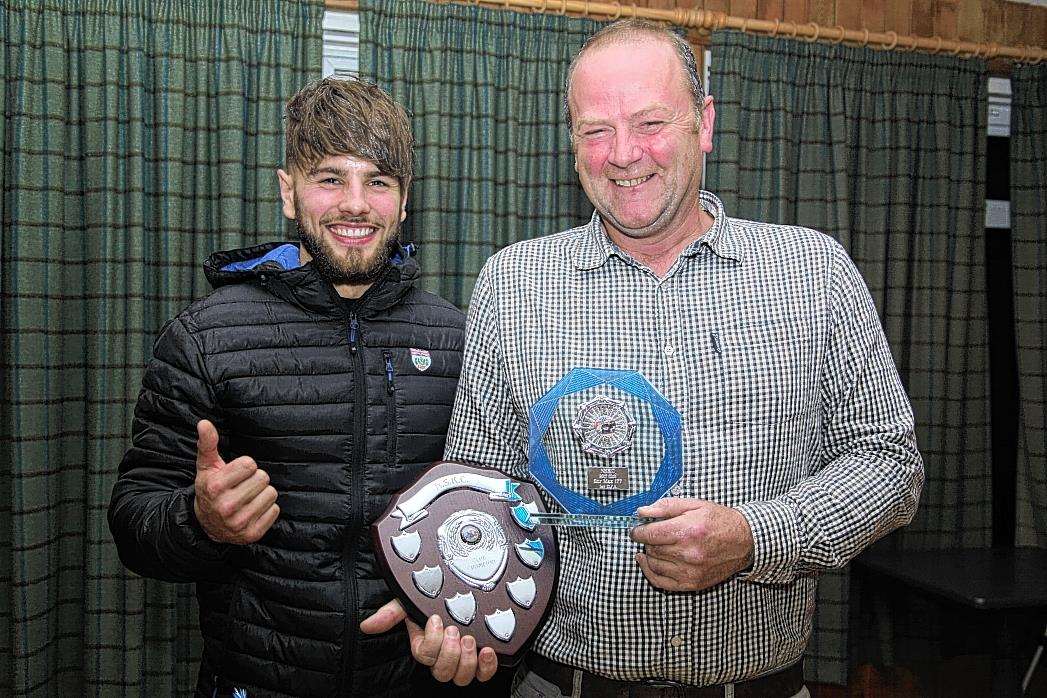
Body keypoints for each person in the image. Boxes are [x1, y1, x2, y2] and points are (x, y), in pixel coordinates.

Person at [365, 19, 924, 697]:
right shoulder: (513, 286)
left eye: (650, 122)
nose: (624, 154)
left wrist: (755, 536)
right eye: (595, 130)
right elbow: (480, 495)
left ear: (703, 122)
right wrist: (451, 607)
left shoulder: (813, 272)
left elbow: (888, 462)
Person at [108, 77, 473, 697]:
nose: (355, 204)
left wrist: (468, 621)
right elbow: (133, 521)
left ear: (404, 199)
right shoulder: (205, 338)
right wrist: (200, 520)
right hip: (252, 680)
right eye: (330, 178)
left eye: (378, 181)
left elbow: (486, 518)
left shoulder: (458, 338)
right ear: (288, 190)